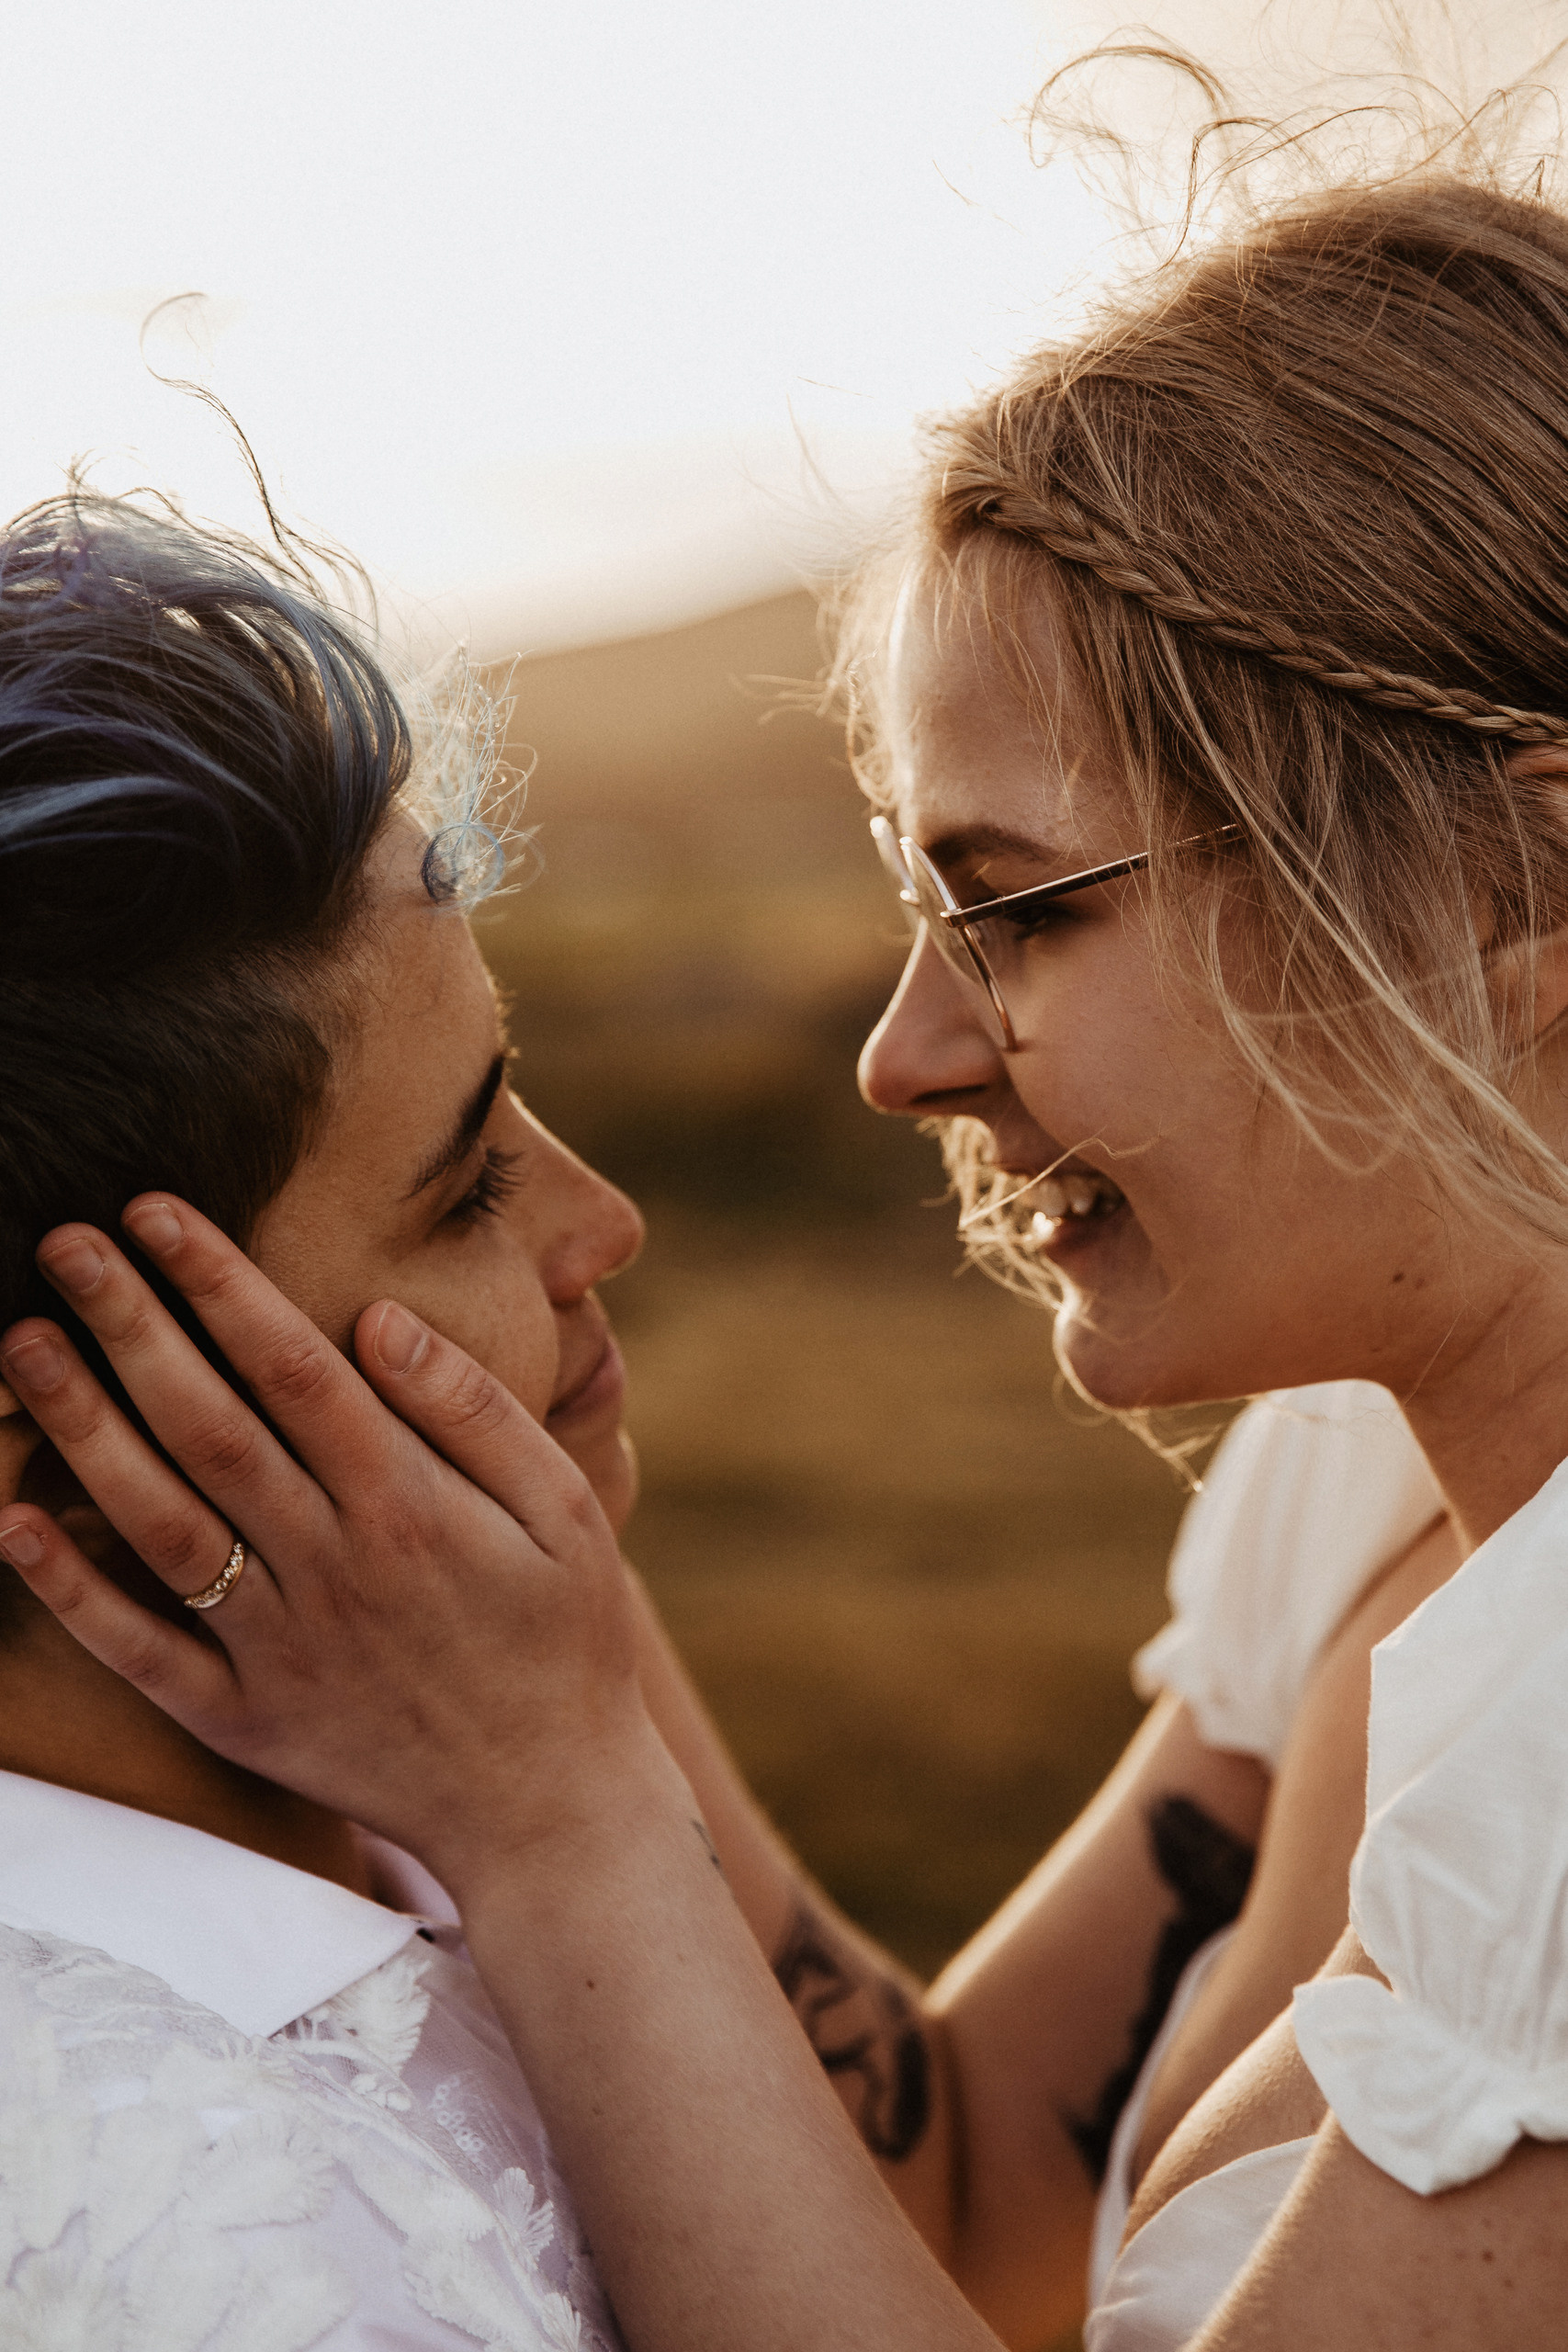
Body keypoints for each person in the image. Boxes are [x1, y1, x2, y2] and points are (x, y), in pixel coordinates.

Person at [9, 146, 1568, 2346]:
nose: (901, 1051)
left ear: (1504, 901)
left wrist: (557, 1813)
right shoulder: (1369, 1477)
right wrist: (498, 1531)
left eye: (1011, 908)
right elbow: (961, 2183)